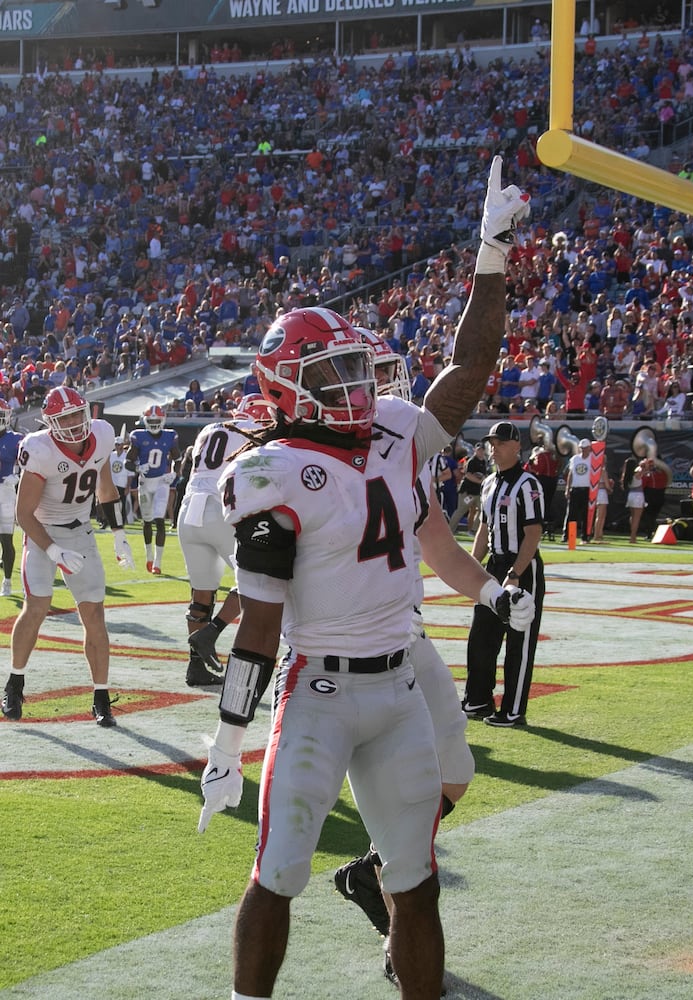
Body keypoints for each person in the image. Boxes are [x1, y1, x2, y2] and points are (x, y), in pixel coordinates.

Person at [197, 156, 530, 1000]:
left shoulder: (390, 429)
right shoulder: (267, 471)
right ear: (285, 386)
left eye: (354, 368)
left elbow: (469, 371)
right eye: (332, 373)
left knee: (414, 880)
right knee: (276, 873)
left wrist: (490, 252)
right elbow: (262, 626)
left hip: (397, 691)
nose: (354, 386)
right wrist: (229, 741)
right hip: (317, 690)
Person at [333, 332, 536, 985]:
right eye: (372, 378)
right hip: (347, 649)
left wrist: (494, 592)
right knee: (406, 810)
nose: (386, 391)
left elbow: (441, 548)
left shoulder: (403, 455)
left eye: (389, 377)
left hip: (407, 636)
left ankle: (369, 872)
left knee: (455, 771)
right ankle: (399, 939)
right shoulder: (311, 455)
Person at [1, 386, 134, 726]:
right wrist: (53, 549)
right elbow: (24, 514)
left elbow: (105, 488)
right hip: (42, 531)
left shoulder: (102, 434)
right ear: (50, 422)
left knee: (94, 614)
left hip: (81, 533)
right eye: (65, 418)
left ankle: (101, 696)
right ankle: (14, 683)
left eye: (77, 414)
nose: (75, 423)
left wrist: (119, 534)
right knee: (37, 607)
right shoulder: (40, 449)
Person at [177, 394, 276, 688]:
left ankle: (196, 666)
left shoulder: (210, 429)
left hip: (189, 510)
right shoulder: (256, 433)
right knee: (253, 578)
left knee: (200, 593)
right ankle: (213, 632)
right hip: (220, 508)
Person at [462, 420, 545, 727]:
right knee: (481, 634)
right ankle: (478, 699)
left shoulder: (527, 484)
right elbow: (484, 528)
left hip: (521, 566)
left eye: (498, 443)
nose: (492, 448)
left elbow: (533, 533)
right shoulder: (489, 483)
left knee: (519, 640)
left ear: (515, 446)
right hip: (495, 565)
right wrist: (471, 567)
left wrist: (516, 572)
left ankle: (512, 710)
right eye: (490, 443)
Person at [127, 403, 181, 574]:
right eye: (152, 420)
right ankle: (149, 555)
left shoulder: (170, 436)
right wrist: (136, 468)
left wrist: (174, 473)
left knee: (159, 519)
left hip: (162, 483)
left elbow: (178, 459)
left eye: (157, 419)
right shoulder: (138, 436)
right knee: (147, 521)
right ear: (145, 420)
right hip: (145, 483)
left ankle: (157, 562)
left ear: (163, 419)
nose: (155, 423)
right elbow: (127, 462)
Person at [0, 399, 23, 596]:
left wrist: (17, 477)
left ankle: (7, 581)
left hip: (5, 491)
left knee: (6, 540)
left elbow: (31, 464)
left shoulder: (15, 439)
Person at [448, 440, 488, 534]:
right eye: (479, 450)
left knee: (483, 510)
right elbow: (468, 475)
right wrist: (479, 481)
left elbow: (484, 475)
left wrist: (483, 480)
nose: (480, 452)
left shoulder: (484, 462)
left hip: (477, 491)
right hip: (467, 491)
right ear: (475, 450)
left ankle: (474, 529)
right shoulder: (472, 461)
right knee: (461, 511)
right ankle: (450, 530)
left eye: (482, 450)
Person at [563, 437, 592, 543]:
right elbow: (570, 473)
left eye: (585, 448)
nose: (583, 450)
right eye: (582, 448)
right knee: (571, 514)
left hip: (587, 489)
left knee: (586, 515)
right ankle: (569, 536)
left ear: (589, 448)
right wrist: (567, 488)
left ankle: (585, 537)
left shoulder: (593, 459)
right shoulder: (575, 459)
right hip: (575, 488)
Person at [620, 455, 646, 543]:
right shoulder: (637, 474)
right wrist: (643, 464)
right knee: (636, 518)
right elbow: (644, 469)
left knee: (632, 516)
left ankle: (632, 536)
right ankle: (632, 537)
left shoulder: (627, 475)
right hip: (638, 496)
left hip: (631, 495)